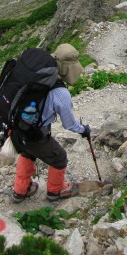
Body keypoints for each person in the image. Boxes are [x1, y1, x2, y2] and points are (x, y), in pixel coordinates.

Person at [10, 44, 90, 203]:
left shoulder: (35, 75)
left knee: (28, 152)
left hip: (17, 126)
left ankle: (21, 189)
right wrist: (83, 130)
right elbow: (69, 124)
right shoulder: (60, 93)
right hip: (35, 133)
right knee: (59, 158)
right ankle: (55, 191)